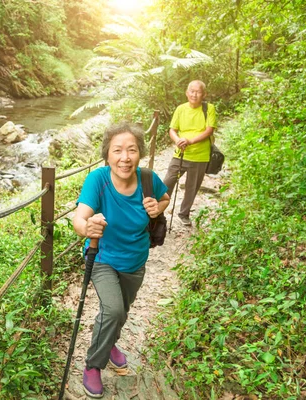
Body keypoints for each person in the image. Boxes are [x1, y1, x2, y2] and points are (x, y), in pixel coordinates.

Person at [72, 122, 170, 398]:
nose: (124, 158)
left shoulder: (149, 178)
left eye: (131, 150)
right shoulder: (98, 180)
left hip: (136, 260)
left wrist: (156, 208)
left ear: (140, 153)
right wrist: (86, 226)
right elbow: (80, 217)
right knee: (113, 310)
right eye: (117, 151)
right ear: (107, 155)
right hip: (102, 257)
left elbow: (165, 198)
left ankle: (109, 343)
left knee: (121, 312)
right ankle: (93, 365)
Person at [163, 80, 217, 226]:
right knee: (167, 182)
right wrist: (178, 140)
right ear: (187, 93)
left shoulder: (209, 108)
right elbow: (172, 129)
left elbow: (209, 130)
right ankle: (156, 211)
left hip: (200, 155)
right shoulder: (180, 109)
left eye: (198, 91)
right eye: (191, 91)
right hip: (180, 153)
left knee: (192, 186)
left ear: (204, 94)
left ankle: (184, 214)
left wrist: (190, 141)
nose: (194, 94)